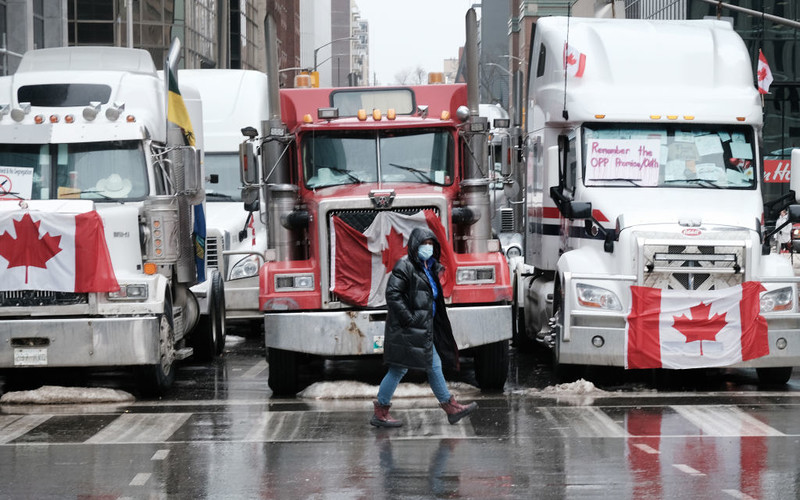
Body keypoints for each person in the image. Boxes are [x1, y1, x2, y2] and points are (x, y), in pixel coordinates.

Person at [370, 227, 478, 427]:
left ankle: (449, 407)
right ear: (414, 245)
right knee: (399, 369)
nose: (427, 248)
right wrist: (410, 319)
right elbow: (393, 295)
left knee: (431, 366)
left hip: (422, 328)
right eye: (423, 244)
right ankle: (381, 411)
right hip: (407, 329)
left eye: (430, 245)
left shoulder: (429, 268)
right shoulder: (405, 266)